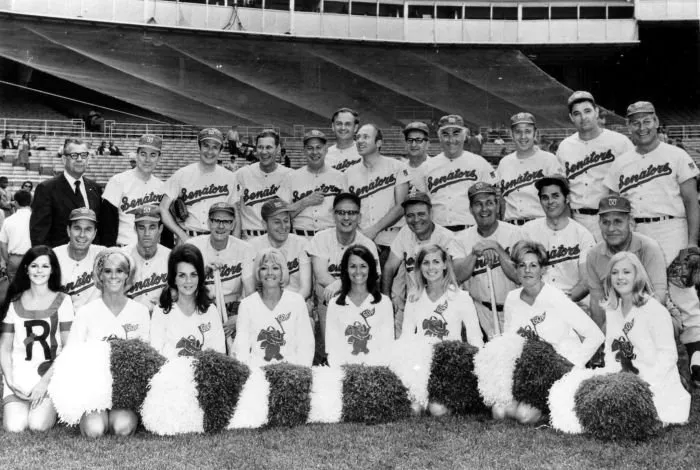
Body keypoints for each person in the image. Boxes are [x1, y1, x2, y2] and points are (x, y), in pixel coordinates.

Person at [604, 101, 700, 382]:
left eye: (646, 120)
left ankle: (697, 361)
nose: (642, 126)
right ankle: (644, 360)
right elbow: (612, 201)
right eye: (635, 122)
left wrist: (692, 242)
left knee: (682, 293)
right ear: (628, 126)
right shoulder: (621, 162)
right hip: (638, 233)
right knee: (639, 293)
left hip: (672, 226)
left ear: (656, 121)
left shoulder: (676, 155)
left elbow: (691, 201)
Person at [68, 248, 150, 437]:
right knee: (94, 430)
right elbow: (72, 355)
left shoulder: (140, 311)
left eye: (120, 271)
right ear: (100, 275)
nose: (114, 276)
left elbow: (146, 357)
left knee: (122, 428)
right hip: (94, 389)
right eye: (108, 271)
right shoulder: (85, 312)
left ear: (127, 275)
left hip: (124, 391)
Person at [601, 251, 690, 424]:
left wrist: (645, 384)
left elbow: (668, 356)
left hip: (656, 381)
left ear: (637, 276)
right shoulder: (612, 309)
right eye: (615, 272)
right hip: (623, 378)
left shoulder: (654, 309)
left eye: (626, 272)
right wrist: (611, 379)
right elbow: (610, 352)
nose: (620, 277)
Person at [0, 246, 73, 432]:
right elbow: (5, 346)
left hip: (49, 375)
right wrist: (9, 378)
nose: (39, 271)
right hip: (19, 375)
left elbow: (68, 347)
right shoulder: (14, 300)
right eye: (34, 265)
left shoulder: (63, 300)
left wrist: (44, 383)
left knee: (38, 425)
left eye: (45, 266)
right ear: (26, 268)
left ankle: (51, 402)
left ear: (53, 270)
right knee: (14, 427)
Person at [505, 240, 604, 367]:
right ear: (516, 269)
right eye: (522, 265)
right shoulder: (511, 298)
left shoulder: (556, 297)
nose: (527, 270)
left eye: (533, 265)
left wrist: (573, 363)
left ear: (543, 269)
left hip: (562, 371)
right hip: (530, 371)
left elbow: (595, 336)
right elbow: (508, 340)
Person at [307, 192, 380, 362]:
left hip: (358, 306)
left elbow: (373, 279)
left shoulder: (367, 244)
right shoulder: (321, 238)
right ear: (333, 215)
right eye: (341, 212)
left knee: (357, 353)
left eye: (352, 213)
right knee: (330, 353)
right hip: (328, 304)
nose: (346, 217)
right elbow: (321, 276)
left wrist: (340, 282)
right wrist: (344, 287)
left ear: (359, 216)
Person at [556, 91, 634, 241]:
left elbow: (632, 185)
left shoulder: (620, 142)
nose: (583, 117)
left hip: (610, 217)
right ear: (571, 118)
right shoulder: (565, 147)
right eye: (577, 113)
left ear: (596, 112)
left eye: (587, 111)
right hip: (577, 219)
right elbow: (562, 187)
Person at [381, 191, 460, 337]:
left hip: (441, 303)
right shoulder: (405, 233)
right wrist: (385, 301)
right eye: (410, 215)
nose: (416, 219)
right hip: (414, 302)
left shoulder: (446, 237)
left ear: (431, 213)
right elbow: (389, 267)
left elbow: (454, 278)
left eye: (421, 214)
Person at [454, 183, 521, 339]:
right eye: (478, 204)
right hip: (479, 313)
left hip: (512, 311)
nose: (484, 209)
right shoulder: (460, 239)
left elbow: (519, 276)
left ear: (497, 206)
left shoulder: (516, 234)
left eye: (489, 203)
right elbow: (457, 276)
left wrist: (497, 248)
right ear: (471, 209)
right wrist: (474, 254)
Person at [412, 114, 497, 233]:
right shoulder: (426, 168)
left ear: (464, 135)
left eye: (456, 134)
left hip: (471, 231)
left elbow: (494, 200)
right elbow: (419, 204)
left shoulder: (480, 164)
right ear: (439, 137)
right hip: (437, 232)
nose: (451, 139)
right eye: (445, 134)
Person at [233, 248, 314, 367]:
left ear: (283, 272)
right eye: (264, 268)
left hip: (292, 371)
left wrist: (300, 374)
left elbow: (306, 345)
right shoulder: (246, 305)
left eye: (275, 268)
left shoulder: (296, 301)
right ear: (258, 273)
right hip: (257, 371)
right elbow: (241, 348)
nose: (270, 273)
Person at [186, 202, 255, 339]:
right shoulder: (192, 246)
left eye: (227, 222)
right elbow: (185, 287)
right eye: (216, 220)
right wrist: (203, 272)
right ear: (208, 222)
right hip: (201, 306)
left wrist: (239, 317)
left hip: (232, 307)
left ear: (233, 224)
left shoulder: (245, 249)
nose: (221, 226)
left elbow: (250, 292)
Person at [521, 175, 595, 302]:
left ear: (566, 199)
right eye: (545, 197)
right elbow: (522, 275)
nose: (550, 202)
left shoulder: (583, 234)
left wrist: (562, 303)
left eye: (555, 196)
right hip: (538, 302)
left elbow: (586, 281)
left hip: (573, 303)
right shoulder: (528, 231)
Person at [346, 123, 409, 266]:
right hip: (360, 239)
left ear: (379, 142)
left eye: (366, 137)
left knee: (391, 287)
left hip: (392, 239)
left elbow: (401, 206)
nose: (360, 141)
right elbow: (347, 208)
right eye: (358, 137)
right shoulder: (349, 173)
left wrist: (373, 231)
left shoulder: (397, 167)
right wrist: (363, 236)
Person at [159, 128, 234, 244]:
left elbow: (236, 213)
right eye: (206, 145)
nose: (210, 151)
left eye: (215, 147)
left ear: (220, 151)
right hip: (189, 237)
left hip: (218, 240)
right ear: (199, 147)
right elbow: (163, 208)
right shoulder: (182, 174)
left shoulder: (230, 177)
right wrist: (181, 234)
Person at [150, 244, 225, 358]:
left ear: (200, 277)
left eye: (193, 275)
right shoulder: (161, 313)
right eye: (182, 275)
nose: (188, 281)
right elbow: (156, 357)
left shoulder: (211, 311)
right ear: (174, 279)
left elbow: (220, 356)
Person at [325, 245, 394, 366]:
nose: (358, 271)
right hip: (344, 371)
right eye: (352, 266)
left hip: (375, 372)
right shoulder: (334, 304)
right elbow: (332, 349)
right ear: (346, 269)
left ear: (371, 269)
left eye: (363, 266)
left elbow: (387, 347)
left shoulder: (384, 302)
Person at [402, 245, 482, 346]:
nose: (431, 267)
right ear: (420, 267)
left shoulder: (461, 297)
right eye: (426, 263)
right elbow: (406, 336)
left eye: (436, 262)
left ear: (444, 265)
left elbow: (475, 338)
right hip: (421, 358)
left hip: (451, 358)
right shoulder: (413, 297)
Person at [30, 137, 103, 247]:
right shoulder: (46, 188)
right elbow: (39, 234)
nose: (79, 159)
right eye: (74, 155)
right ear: (64, 159)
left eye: (83, 155)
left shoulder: (95, 188)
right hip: (60, 259)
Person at [496, 112, 563, 225]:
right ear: (511, 134)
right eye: (518, 132)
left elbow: (560, 199)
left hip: (541, 225)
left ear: (535, 133)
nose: (523, 137)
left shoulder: (549, 160)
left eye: (527, 131)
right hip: (512, 227)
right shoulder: (504, 163)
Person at [278, 130, 347, 238]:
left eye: (318, 147)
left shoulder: (339, 177)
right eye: (310, 148)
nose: (314, 152)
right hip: (301, 238)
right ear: (304, 151)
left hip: (330, 237)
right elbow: (281, 215)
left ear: (326, 149)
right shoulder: (291, 177)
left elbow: (347, 212)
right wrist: (305, 202)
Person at [101, 134, 166, 247]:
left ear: (159, 158)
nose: (147, 159)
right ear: (136, 155)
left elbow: (165, 229)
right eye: (143, 154)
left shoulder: (162, 187)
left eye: (153, 155)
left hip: (153, 252)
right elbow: (106, 225)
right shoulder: (118, 181)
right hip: (123, 249)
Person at [231, 129, 292, 239]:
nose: (264, 152)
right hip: (249, 237)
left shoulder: (289, 175)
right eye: (260, 147)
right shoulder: (243, 173)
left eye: (268, 147)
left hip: (278, 239)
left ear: (278, 149)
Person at [249, 199, 311, 300]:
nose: (283, 226)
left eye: (286, 221)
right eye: (277, 222)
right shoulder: (253, 246)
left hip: (295, 301)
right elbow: (252, 288)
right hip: (264, 303)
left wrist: (288, 308)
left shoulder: (301, 243)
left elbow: (305, 289)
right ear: (264, 224)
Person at [54, 208, 106, 310]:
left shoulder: (103, 255)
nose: (82, 235)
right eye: (77, 228)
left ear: (94, 233)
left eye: (88, 229)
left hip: (94, 320)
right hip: (62, 321)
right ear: (68, 230)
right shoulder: (54, 256)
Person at [122, 206, 170, 313]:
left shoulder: (170, 257)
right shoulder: (122, 256)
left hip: (162, 318)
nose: (147, 233)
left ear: (160, 229)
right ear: (135, 229)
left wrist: (168, 301)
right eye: (142, 227)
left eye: (152, 227)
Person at [0, 190, 32, 281]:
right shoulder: (36, 219)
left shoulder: (8, 220)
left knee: (14, 290)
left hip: (14, 258)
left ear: (16, 203)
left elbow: (2, 245)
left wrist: (7, 261)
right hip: (32, 257)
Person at [326, 107, 362, 172]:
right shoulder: (325, 155)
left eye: (348, 124)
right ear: (333, 126)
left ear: (355, 128)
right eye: (339, 124)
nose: (343, 128)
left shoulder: (366, 153)